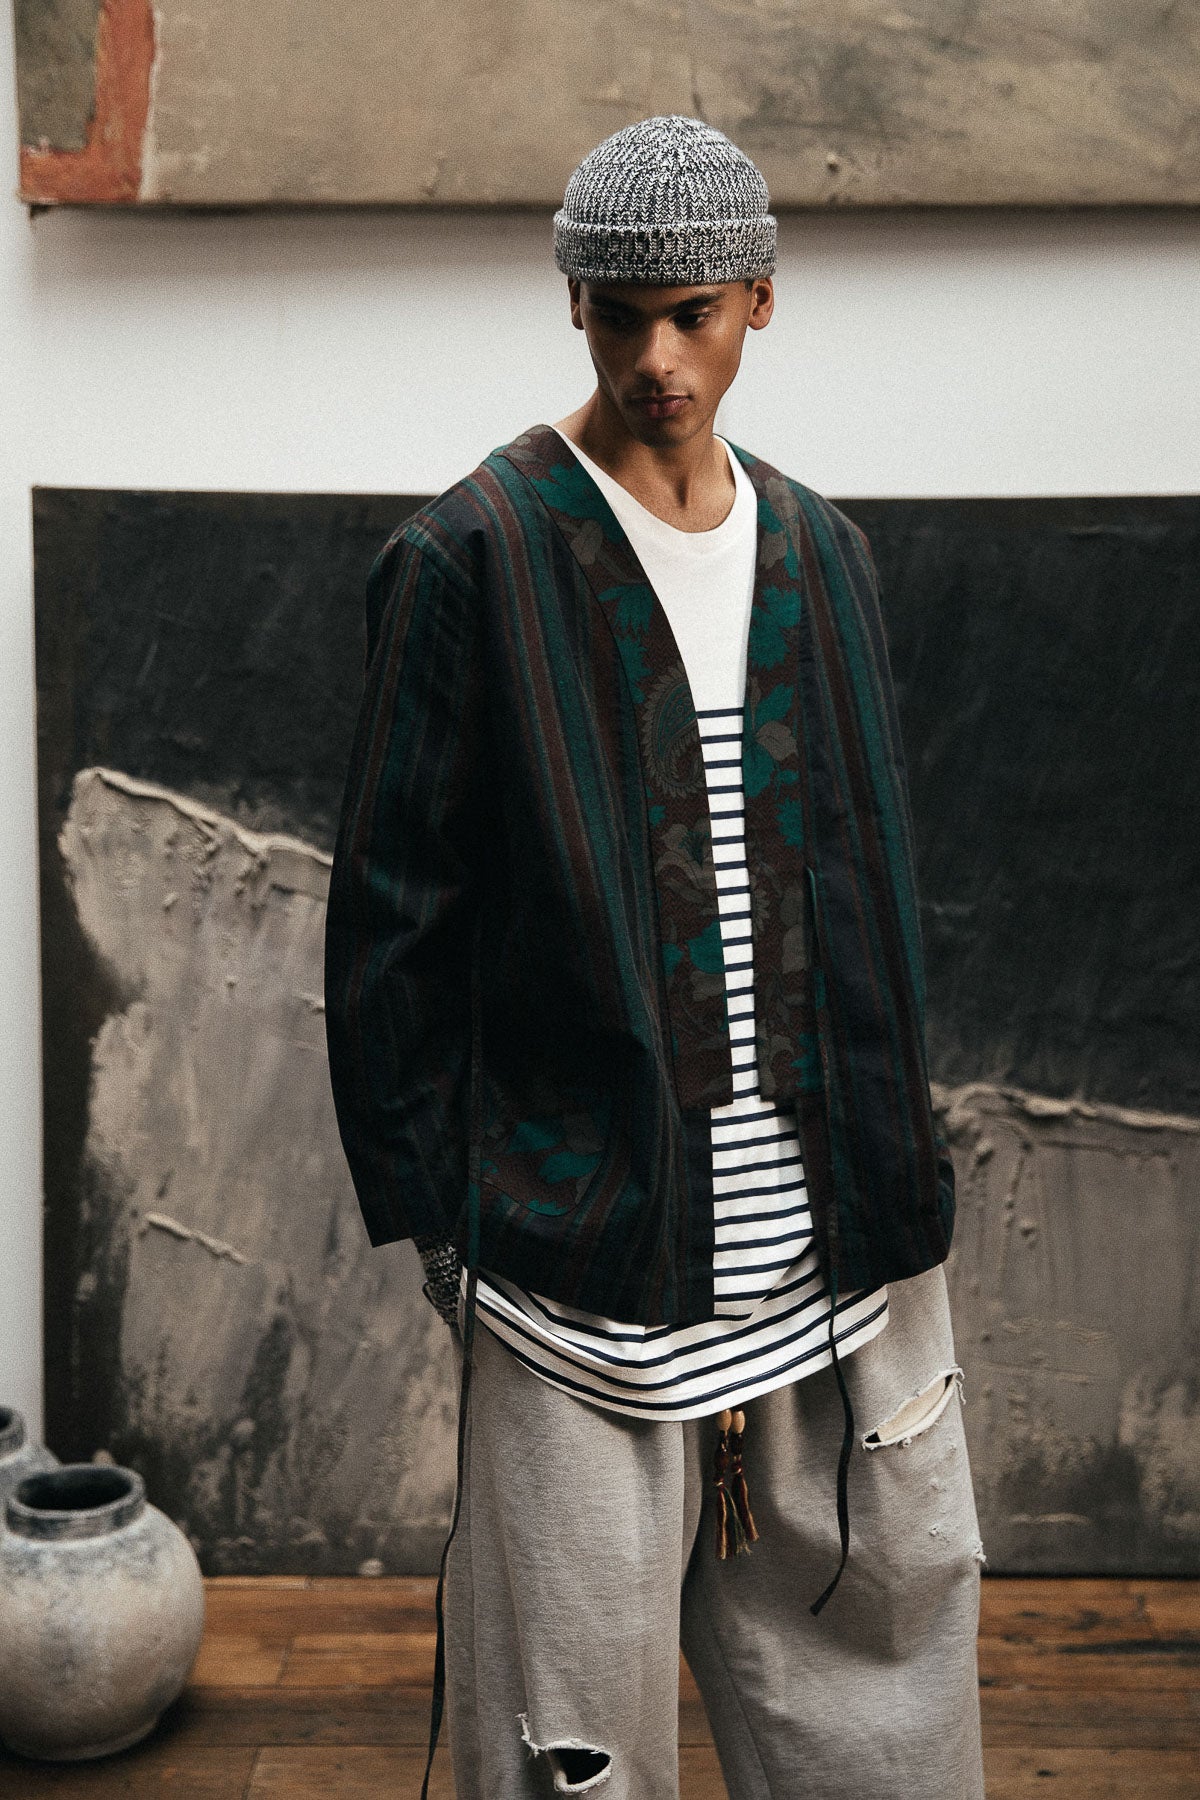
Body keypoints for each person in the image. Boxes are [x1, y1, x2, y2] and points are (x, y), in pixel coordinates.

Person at [324, 114, 986, 1800]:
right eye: (617, 316)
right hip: (582, 1267)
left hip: (839, 1257)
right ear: (573, 304)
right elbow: (392, 918)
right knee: (573, 1750)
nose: (655, 360)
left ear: (762, 296)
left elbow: (874, 894)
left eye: (691, 314)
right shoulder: (471, 558)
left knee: (883, 1720)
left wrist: (898, 1161)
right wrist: (451, 1228)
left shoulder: (825, 555)